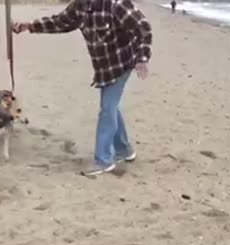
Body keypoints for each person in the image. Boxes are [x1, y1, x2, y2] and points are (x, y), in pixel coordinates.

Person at [12, 0, 152, 176]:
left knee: (107, 108)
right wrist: (28, 26)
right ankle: (124, 149)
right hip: (104, 69)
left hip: (123, 63)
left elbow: (143, 28)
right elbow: (59, 22)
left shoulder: (116, 4)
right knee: (111, 107)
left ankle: (103, 160)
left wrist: (142, 58)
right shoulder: (79, 6)